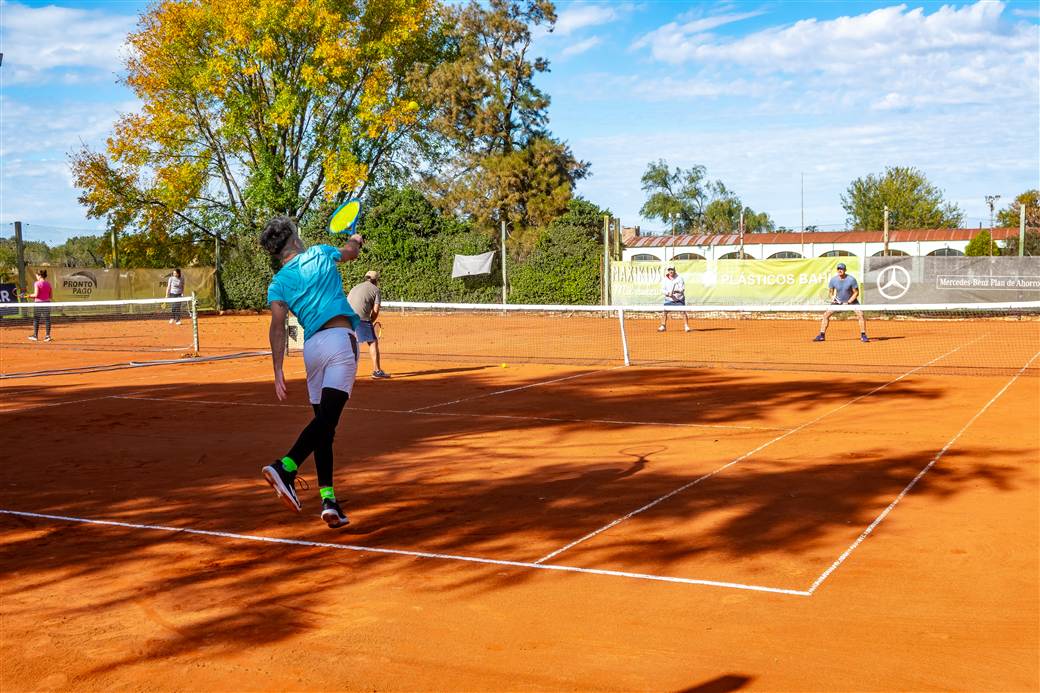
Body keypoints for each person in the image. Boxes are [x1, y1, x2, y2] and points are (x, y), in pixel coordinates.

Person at [259, 216, 364, 529]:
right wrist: (356, 240)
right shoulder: (318, 253)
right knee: (327, 422)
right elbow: (349, 252)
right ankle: (286, 466)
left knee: (324, 428)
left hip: (312, 350)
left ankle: (329, 499)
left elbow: (277, 327)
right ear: (293, 238)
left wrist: (277, 369)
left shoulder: (278, 283)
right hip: (339, 342)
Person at [348, 270, 390, 379]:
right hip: (361, 318)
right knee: (373, 342)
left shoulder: (355, 287)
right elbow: (375, 311)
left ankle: (343, 372)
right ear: (376, 280)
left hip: (345, 318)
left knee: (349, 344)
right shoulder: (376, 290)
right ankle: (377, 371)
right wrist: (370, 320)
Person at [813, 262, 868, 343]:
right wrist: (833, 298)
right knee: (825, 315)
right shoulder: (833, 280)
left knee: (861, 315)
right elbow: (831, 292)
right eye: (838, 269)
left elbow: (856, 293)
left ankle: (863, 335)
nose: (840, 270)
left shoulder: (851, 279)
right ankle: (822, 335)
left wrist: (849, 302)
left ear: (845, 270)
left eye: (841, 269)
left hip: (852, 301)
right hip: (837, 302)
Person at [658, 266, 691, 333]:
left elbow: (682, 289)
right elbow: (662, 290)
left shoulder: (679, 278)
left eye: (672, 270)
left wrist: (676, 291)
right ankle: (663, 326)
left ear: (674, 270)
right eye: (669, 270)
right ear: (668, 271)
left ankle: (686, 326)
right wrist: (667, 293)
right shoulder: (665, 279)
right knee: (664, 312)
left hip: (679, 299)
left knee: (683, 312)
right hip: (669, 299)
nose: (671, 271)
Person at [25, 269, 53, 342]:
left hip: (38, 304)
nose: (36, 277)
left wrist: (28, 296)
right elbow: (51, 296)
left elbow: (36, 294)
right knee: (47, 319)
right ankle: (47, 336)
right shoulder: (49, 284)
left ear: (40, 276)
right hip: (47, 303)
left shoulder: (37, 283)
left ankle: (35, 336)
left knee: (36, 319)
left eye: (37, 276)